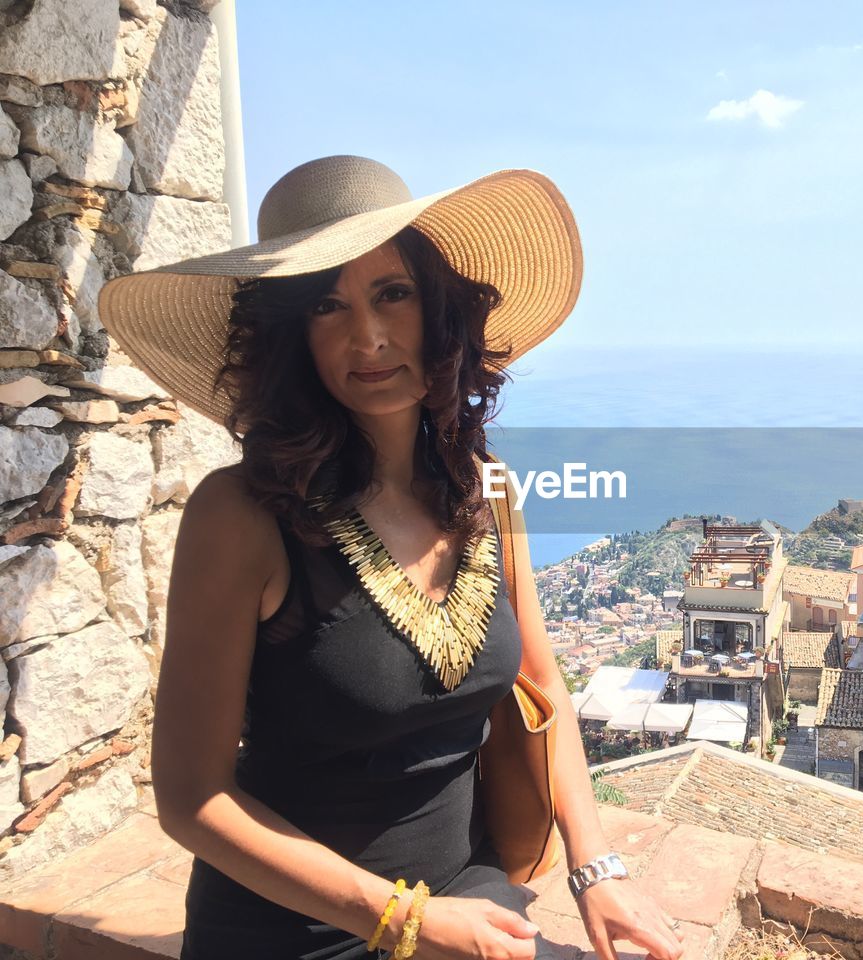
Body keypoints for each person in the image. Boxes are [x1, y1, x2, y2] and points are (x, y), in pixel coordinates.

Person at [97, 156, 687, 960]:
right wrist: (404, 920)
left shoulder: (488, 492)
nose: (368, 336)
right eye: (327, 306)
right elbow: (191, 798)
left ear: (438, 311)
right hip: (289, 932)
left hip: (470, 898)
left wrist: (598, 869)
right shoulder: (240, 516)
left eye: (393, 294)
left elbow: (542, 686)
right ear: (288, 337)